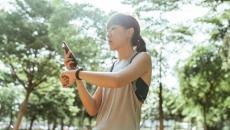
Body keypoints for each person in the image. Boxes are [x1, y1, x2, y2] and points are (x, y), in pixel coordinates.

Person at [60, 13, 152, 130]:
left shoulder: (142, 58)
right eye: (107, 30)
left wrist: (78, 74)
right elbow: (92, 108)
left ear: (129, 32)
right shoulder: (111, 68)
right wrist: (77, 76)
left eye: (113, 28)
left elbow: (117, 80)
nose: (108, 34)